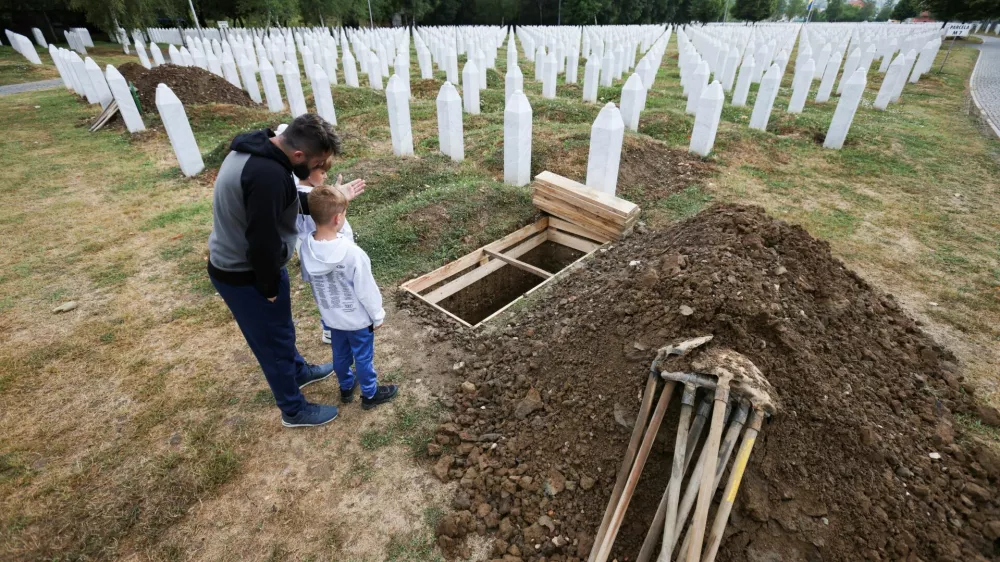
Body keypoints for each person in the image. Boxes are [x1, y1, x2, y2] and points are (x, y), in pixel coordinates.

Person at [207, 114, 343, 428]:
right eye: (318, 163)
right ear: (298, 156)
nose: (319, 170)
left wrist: (324, 204)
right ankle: (293, 410)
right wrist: (268, 287)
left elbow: (281, 199)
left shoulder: (261, 148)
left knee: (280, 333)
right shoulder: (267, 174)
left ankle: (298, 372)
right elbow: (262, 241)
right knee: (273, 344)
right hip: (246, 273)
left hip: (246, 263)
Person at [300, 185, 398, 410]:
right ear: (337, 218)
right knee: (362, 357)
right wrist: (378, 315)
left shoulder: (306, 246)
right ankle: (370, 394)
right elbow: (366, 290)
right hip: (358, 321)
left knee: (340, 354)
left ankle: (345, 387)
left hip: (332, 318)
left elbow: (308, 277)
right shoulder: (353, 254)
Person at [294, 158, 365, 344]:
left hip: (316, 257)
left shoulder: (299, 196)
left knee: (325, 294)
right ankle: (338, 329)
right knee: (338, 294)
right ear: (308, 173)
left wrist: (336, 197)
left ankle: (329, 328)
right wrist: (339, 203)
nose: (325, 176)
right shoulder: (312, 202)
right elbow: (333, 226)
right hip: (333, 257)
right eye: (322, 172)